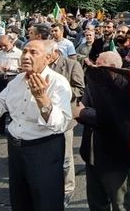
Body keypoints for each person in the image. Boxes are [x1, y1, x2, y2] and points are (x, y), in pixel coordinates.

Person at [0, 40, 72, 211]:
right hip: (16, 149)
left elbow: (59, 125)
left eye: (33, 52)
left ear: (48, 58)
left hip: (43, 149)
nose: (26, 56)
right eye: (24, 52)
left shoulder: (58, 82)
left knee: (46, 200)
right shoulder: (17, 81)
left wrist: (42, 98)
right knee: (20, 199)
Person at [75, 51, 130, 211]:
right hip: (91, 156)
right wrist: (85, 114)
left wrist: (85, 113)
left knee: (120, 204)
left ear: (112, 68)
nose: (94, 68)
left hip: (115, 159)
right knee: (96, 203)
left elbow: (115, 120)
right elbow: (78, 110)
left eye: (99, 65)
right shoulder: (94, 82)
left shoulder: (126, 87)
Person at [48, 42, 85, 207]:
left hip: (65, 117)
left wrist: (58, 92)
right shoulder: (41, 65)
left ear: (55, 52)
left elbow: (80, 89)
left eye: (47, 54)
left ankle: (68, 189)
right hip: (45, 118)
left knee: (66, 158)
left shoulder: (72, 65)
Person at [0, 35, 22, 140]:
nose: (3, 47)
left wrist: (10, 68)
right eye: (1, 45)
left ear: (12, 42)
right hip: (0, 80)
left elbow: (22, 69)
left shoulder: (19, 53)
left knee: (14, 105)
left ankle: (13, 130)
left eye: (5, 45)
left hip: (13, 79)